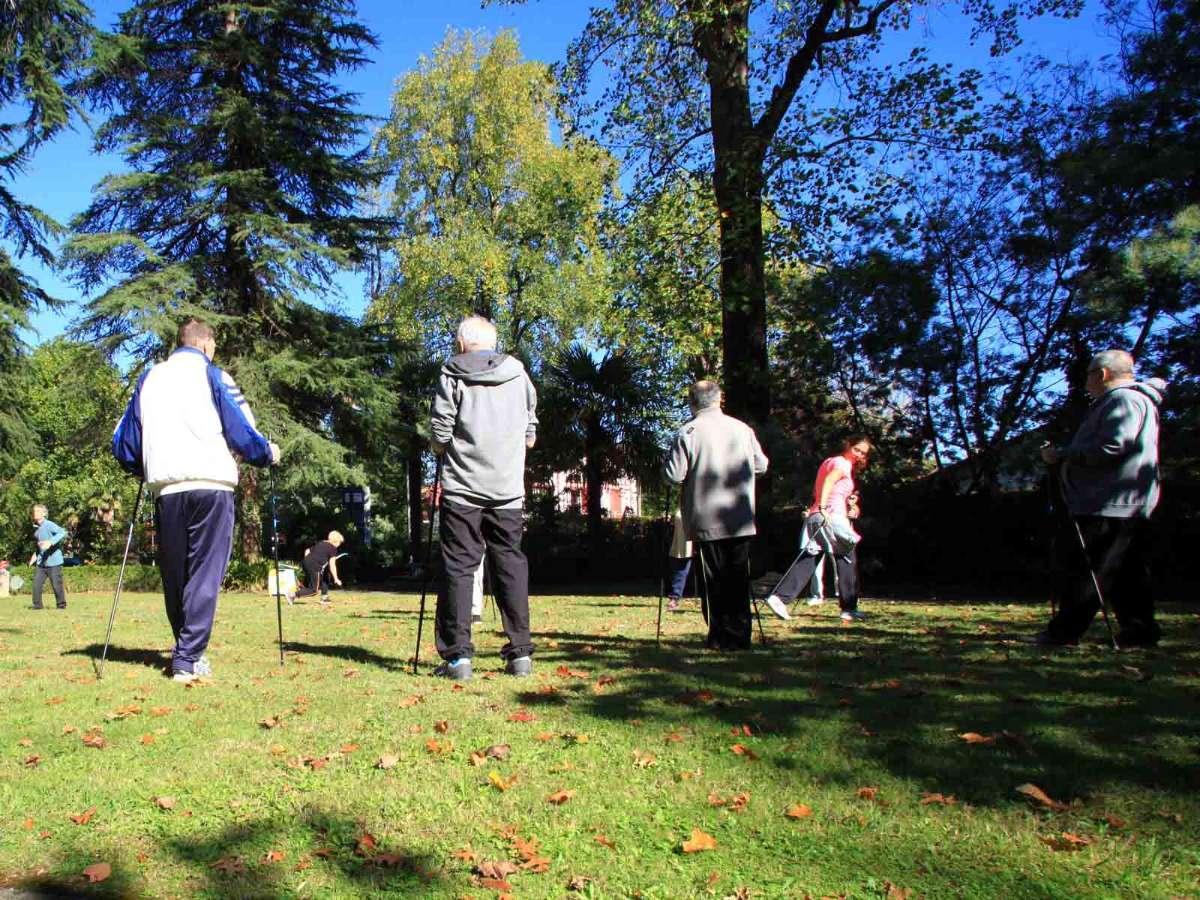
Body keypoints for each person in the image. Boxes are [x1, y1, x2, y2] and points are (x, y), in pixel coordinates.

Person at [112, 318, 280, 683]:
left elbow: (123, 443)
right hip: (211, 483)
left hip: (167, 490)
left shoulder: (149, 379)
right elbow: (243, 431)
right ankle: (188, 658)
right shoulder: (215, 375)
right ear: (205, 345)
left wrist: (143, 468)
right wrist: (268, 454)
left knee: (176, 575)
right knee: (205, 572)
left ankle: (185, 649)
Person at [429, 315, 538, 680]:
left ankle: (458, 658)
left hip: (463, 487)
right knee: (510, 563)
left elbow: (440, 433)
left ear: (461, 344)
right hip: (507, 489)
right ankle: (520, 653)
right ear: (493, 343)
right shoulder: (519, 374)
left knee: (459, 568)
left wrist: (437, 447)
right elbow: (530, 432)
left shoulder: (451, 373)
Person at [1035, 350, 1165, 648]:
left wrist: (1062, 455)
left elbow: (1113, 446)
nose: (1086, 381)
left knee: (1090, 571)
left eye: (1089, 374)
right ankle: (1140, 632)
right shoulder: (1130, 401)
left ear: (1103, 374)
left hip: (1109, 501)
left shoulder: (1123, 400)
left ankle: (1064, 632)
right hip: (1124, 500)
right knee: (1126, 574)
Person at [665, 380, 769, 650]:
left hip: (706, 517)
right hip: (740, 516)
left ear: (692, 401)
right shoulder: (742, 428)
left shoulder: (687, 432)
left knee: (713, 580)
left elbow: (674, 475)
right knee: (737, 577)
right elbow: (762, 465)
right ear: (719, 399)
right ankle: (740, 635)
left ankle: (720, 636)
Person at [765, 436, 871, 623]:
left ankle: (779, 598)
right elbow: (830, 481)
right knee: (847, 557)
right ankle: (849, 608)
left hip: (816, 515)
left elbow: (821, 488)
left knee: (810, 558)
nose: (860, 455)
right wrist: (824, 507)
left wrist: (837, 506)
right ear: (847, 445)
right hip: (831, 516)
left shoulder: (828, 462)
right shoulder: (842, 463)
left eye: (863, 453)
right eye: (857, 449)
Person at [29, 504, 68, 610]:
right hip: (41, 564)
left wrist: (50, 542)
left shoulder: (49, 524)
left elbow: (63, 532)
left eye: (38, 511)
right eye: (34, 511)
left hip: (54, 563)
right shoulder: (37, 529)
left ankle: (61, 605)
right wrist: (35, 556)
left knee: (56, 585)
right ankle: (37, 606)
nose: (35, 513)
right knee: (36, 584)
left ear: (43, 513)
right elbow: (40, 546)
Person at [296, 531, 344, 603]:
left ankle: (324, 598)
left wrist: (308, 560)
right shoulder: (333, 548)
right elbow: (332, 565)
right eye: (340, 543)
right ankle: (293, 594)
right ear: (336, 542)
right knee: (314, 590)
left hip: (305, 562)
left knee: (325, 575)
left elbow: (307, 550)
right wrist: (336, 578)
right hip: (315, 566)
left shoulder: (321, 543)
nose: (339, 545)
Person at [666, 509, 692, 611]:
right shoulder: (682, 506)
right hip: (682, 544)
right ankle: (675, 598)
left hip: (696, 543)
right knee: (680, 570)